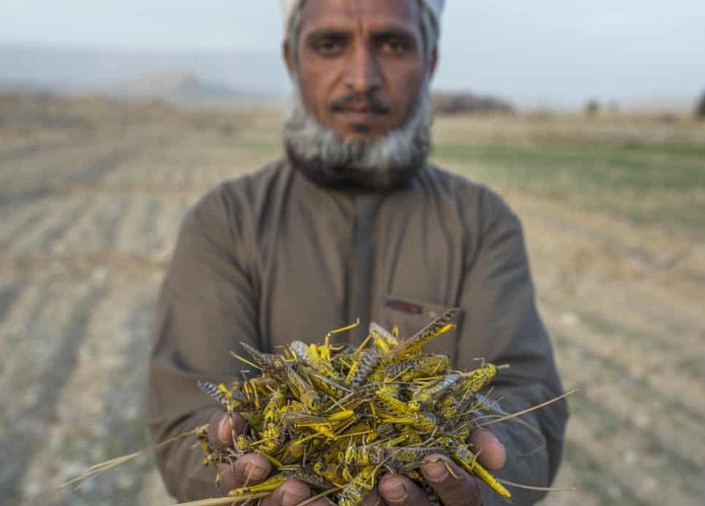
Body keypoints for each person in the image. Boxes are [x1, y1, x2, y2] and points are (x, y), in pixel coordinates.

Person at [147, 1, 568, 505]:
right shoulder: (227, 222)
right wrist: (234, 472)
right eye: (330, 44)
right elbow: (187, 412)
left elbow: (527, 400)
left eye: (393, 44)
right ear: (291, 60)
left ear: (429, 62)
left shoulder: (480, 222)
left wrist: (478, 478)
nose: (362, 77)